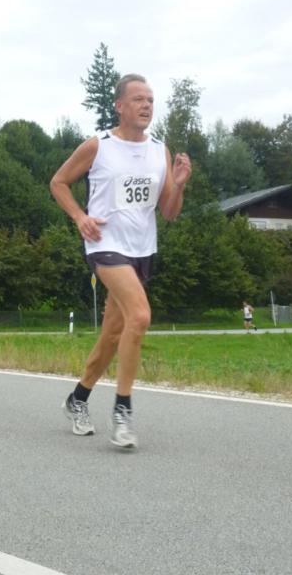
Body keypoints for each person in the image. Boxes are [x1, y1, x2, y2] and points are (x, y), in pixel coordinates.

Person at [50, 74, 192, 448]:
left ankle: (77, 399)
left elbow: (169, 212)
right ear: (120, 106)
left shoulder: (159, 150)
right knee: (140, 316)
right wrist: (79, 217)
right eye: (139, 99)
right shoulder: (99, 145)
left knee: (113, 334)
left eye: (151, 100)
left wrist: (178, 185)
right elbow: (58, 182)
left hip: (142, 250)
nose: (147, 105)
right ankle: (122, 410)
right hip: (105, 243)